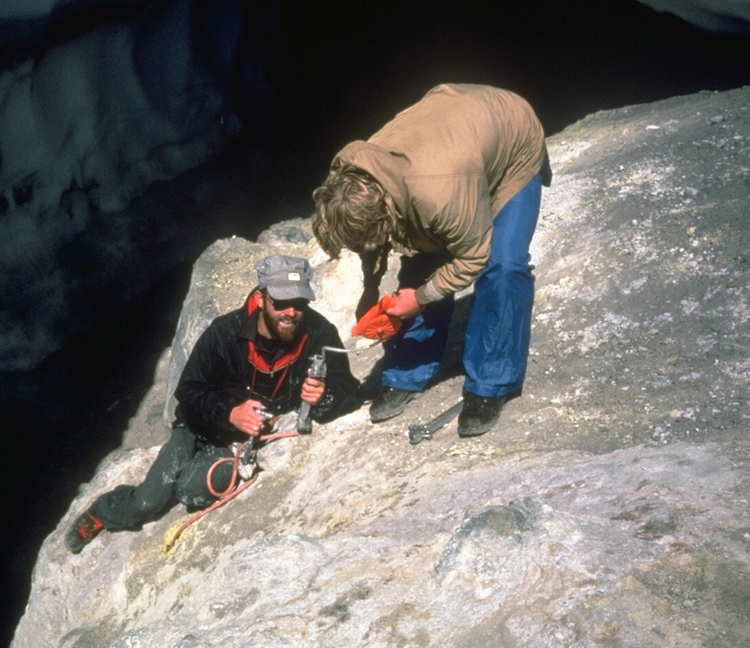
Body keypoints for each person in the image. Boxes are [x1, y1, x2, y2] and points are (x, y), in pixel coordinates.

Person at [65, 254, 361, 553]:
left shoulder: (319, 334)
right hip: (199, 425)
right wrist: (230, 413)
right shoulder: (224, 334)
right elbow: (189, 392)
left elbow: (349, 389)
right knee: (149, 501)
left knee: (190, 492)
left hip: (243, 441)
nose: (291, 312)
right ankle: (103, 511)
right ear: (260, 298)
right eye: (280, 302)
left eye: (298, 303)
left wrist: (324, 395)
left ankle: (201, 466)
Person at [312, 83, 552, 437]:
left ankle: (490, 384)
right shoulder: (350, 178)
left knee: (503, 266)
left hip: (511, 140)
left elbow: (473, 256)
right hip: (455, 134)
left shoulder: (439, 193)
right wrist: (371, 287)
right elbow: (370, 241)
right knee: (420, 252)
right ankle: (409, 372)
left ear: (381, 214)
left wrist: (422, 297)